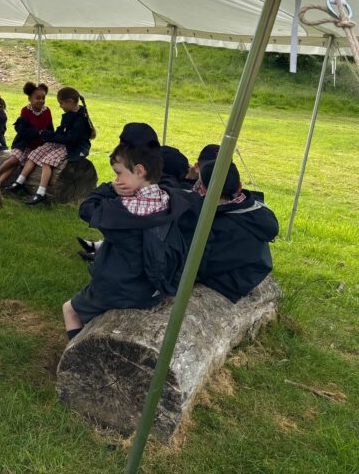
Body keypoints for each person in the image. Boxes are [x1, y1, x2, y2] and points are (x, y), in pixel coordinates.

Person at [62, 123, 192, 341]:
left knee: (69, 309)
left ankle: (74, 353)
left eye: (119, 174)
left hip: (123, 289)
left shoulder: (121, 212)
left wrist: (110, 189)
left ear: (139, 171)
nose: (117, 180)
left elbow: (86, 209)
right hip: (154, 287)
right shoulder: (171, 199)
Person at [178, 161, 279, 302]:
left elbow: (193, 266)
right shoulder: (258, 212)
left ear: (205, 190)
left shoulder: (212, 225)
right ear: (240, 186)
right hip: (252, 271)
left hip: (228, 283)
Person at [13, 86, 94, 206]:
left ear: (70, 101)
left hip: (74, 147)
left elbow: (70, 140)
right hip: (63, 142)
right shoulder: (69, 114)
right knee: (35, 153)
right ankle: (19, 182)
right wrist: (50, 135)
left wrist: (53, 137)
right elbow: (61, 131)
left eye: (61, 103)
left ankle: (40, 193)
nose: (60, 106)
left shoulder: (80, 119)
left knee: (47, 161)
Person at [0, 81, 52, 193]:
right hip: (23, 143)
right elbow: (23, 130)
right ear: (30, 99)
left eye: (43, 98)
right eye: (38, 98)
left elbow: (50, 128)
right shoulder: (25, 111)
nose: (41, 101)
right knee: (14, 159)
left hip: (37, 146)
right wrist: (38, 133)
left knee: (17, 164)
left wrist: (49, 137)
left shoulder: (47, 111)